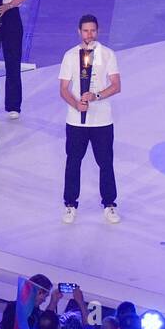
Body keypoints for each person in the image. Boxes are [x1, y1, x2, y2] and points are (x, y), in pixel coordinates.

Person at [58, 14, 122, 224]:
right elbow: (64, 89)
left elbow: (116, 85)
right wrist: (76, 104)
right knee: (73, 162)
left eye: (92, 30)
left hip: (102, 121)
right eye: (85, 31)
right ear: (79, 32)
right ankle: (70, 204)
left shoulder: (108, 54)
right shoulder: (69, 56)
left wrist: (96, 96)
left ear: (98, 31)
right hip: (76, 122)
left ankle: (110, 204)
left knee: (105, 163)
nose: (89, 34)